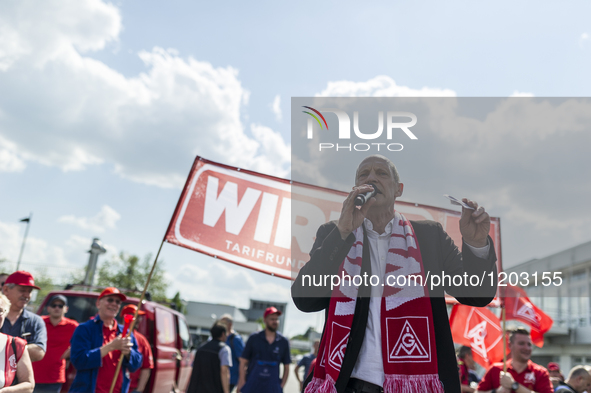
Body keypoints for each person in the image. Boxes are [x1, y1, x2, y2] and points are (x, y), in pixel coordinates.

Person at [292, 154, 498, 393]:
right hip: (349, 385)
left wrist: (476, 244)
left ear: (398, 189)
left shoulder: (429, 236)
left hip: (421, 386)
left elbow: (477, 294)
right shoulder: (334, 233)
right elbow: (305, 300)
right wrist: (343, 232)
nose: (371, 178)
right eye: (363, 174)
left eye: (381, 173)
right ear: (355, 188)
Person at [69, 287, 142, 393]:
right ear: (98, 303)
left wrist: (128, 353)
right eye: (110, 300)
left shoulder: (125, 332)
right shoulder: (84, 329)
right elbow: (79, 361)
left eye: (118, 302)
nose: (114, 304)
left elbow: (136, 365)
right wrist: (111, 346)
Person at [476, 327, 553, 393]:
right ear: (510, 345)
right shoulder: (495, 369)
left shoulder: (540, 372)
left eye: (529, 344)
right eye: (521, 343)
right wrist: (496, 391)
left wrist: (514, 385)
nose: (526, 348)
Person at [237, 307, 291, 393]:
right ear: (265, 320)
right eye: (272, 319)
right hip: (252, 387)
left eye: (276, 319)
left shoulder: (283, 341)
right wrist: (242, 382)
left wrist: (281, 385)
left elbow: (287, 367)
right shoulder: (254, 338)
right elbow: (243, 362)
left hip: (272, 388)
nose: (275, 322)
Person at [32, 294, 79, 392]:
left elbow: (83, 343)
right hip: (33, 374)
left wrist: (71, 351)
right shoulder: (39, 321)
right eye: (54, 305)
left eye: (60, 306)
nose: (57, 308)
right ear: (48, 308)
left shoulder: (73, 326)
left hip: (55, 376)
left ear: (66, 309)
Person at [1, 271, 47, 362]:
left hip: (20, 376)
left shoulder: (35, 321)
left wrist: (6, 349)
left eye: (29, 291)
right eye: (22, 290)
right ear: (6, 290)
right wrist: (22, 348)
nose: (27, 295)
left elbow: (39, 352)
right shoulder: (1, 316)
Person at [0, 292, 34, 392]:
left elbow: (29, 385)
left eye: (0, 310)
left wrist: (3, 391)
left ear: (6, 313)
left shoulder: (15, 344)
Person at [187, 322, 232, 393]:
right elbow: (224, 371)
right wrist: (226, 391)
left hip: (197, 389)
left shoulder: (200, 348)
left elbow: (193, 369)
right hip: (215, 389)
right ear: (223, 334)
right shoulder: (224, 349)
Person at [121, 305, 154, 393]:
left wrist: (139, 390)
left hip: (131, 389)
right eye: (136, 316)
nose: (139, 320)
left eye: (139, 317)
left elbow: (146, 367)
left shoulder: (142, 340)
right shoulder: (114, 334)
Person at [220, 314, 245, 392]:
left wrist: (241, 382)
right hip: (220, 376)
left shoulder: (236, 339)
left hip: (230, 378)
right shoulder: (222, 337)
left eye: (223, 323)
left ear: (230, 324)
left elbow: (243, 361)